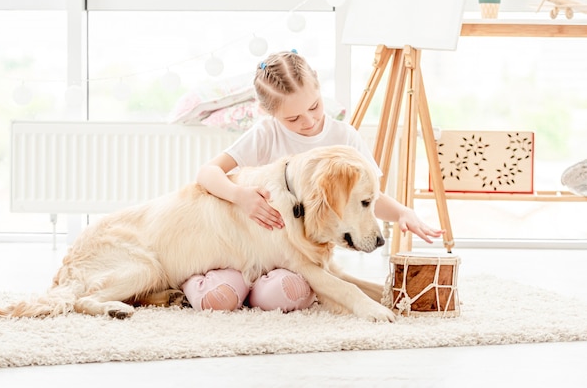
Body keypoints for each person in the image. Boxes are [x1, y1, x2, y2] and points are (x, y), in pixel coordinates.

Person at [181, 50, 444, 312]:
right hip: (254, 245)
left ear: (319, 86)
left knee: (286, 292)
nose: (308, 121)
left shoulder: (344, 137)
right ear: (266, 111)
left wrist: (401, 213)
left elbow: (363, 200)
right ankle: (196, 281)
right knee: (218, 296)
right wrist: (241, 196)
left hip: (296, 256)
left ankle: (255, 292)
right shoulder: (266, 133)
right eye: (293, 118)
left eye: (314, 106)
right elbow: (207, 173)